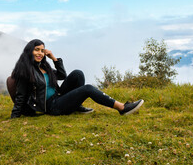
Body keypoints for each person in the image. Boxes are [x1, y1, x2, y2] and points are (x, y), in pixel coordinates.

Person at [9, 39, 144, 118]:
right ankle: (122, 108)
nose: (40, 53)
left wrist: (54, 59)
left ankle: (75, 105)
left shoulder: (43, 66)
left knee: (78, 73)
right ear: (29, 51)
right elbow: (20, 95)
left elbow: (62, 76)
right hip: (51, 107)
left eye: (42, 50)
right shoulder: (25, 71)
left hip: (58, 96)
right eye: (36, 50)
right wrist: (14, 117)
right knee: (88, 89)